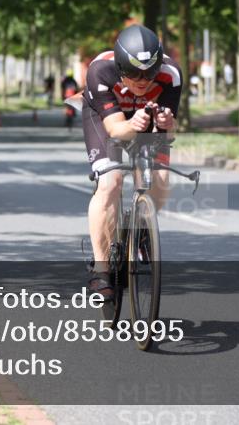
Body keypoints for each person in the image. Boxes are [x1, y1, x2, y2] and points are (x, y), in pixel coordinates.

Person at [82, 24, 181, 297]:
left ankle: (141, 231)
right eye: (134, 73)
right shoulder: (100, 71)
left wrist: (167, 123)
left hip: (143, 119)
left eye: (149, 73)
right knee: (111, 181)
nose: (142, 79)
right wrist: (133, 124)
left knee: (159, 178)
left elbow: (168, 132)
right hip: (107, 121)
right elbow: (116, 130)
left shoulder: (170, 76)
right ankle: (101, 271)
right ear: (120, 66)